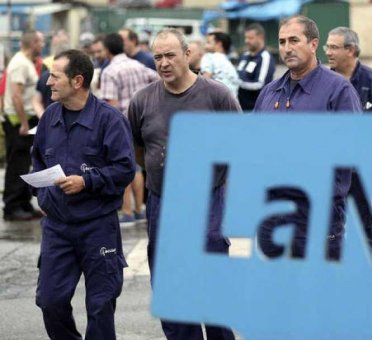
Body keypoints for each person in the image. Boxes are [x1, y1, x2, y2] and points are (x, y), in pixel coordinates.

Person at [128, 28, 240, 340]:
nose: (163, 63)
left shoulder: (217, 96)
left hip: (208, 199)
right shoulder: (142, 101)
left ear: (187, 55)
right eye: (158, 57)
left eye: (170, 55)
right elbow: (139, 149)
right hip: (162, 201)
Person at [32, 49, 135, 340]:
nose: (48, 81)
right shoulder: (50, 116)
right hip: (57, 228)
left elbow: (125, 169)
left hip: (97, 227)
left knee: (101, 306)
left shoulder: (110, 120)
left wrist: (86, 182)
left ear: (77, 81)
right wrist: (43, 198)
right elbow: (38, 158)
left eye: (55, 75)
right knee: (50, 301)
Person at [253, 15, 362, 260]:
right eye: (282, 42)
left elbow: (353, 152)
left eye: (294, 40)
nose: (287, 48)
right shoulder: (269, 93)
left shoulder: (338, 90)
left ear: (313, 44)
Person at [325, 26, 372, 256]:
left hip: (363, 173)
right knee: (329, 231)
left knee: (362, 231)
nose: (328, 52)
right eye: (327, 46)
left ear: (351, 50)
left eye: (334, 47)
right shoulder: (323, 82)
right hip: (331, 172)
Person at [100, 32, 159, 227]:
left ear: (107, 50)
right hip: (145, 121)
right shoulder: (138, 65)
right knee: (139, 168)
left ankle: (126, 212)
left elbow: (111, 105)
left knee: (123, 167)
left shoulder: (109, 71)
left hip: (123, 124)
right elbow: (157, 80)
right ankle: (139, 210)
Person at [2, 31, 45, 221]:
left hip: (25, 119)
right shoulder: (20, 63)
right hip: (18, 121)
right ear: (33, 43)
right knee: (17, 165)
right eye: (41, 42)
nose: (42, 45)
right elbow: (16, 96)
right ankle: (12, 206)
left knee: (26, 163)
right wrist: (24, 123)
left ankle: (24, 203)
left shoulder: (25, 62)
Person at [236, 23, 276, 111]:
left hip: (255, 110)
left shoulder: (265, 57)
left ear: (261, 38)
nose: (246, 41)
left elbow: (261, 84)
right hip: (239, 109)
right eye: (245, 38)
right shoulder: (244, 56)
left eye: (250, 38)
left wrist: (238, 82)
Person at [202, 31, 241, 97]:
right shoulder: (230, 65)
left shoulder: (209, 57)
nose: (205, 45)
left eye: (208, 42)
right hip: (232, 103)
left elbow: (205, 81)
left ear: (219, 44)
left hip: (216, 102)